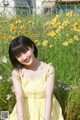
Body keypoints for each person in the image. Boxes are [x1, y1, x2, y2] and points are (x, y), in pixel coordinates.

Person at [8, 35, 64, 120]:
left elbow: (49, 97)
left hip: (47, 111)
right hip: (24, 111)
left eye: (25, 51)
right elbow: (19, 98)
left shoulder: (48, 70)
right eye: (19, 56)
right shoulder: (17, 73)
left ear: (32, 47)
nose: (24, 57)